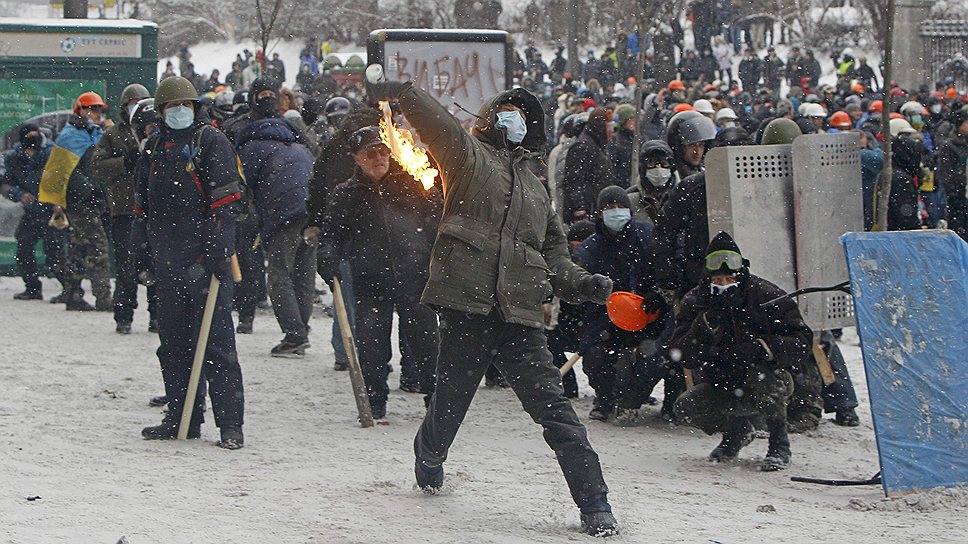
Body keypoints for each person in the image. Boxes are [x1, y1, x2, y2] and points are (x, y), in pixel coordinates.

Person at [366, 68, 618, 536]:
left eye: (523, 115)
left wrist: (583, 284)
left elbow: (555, 254)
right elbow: (438, 123)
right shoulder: (467, 157)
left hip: (521, 316)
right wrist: (403, 93)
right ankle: (430, 456)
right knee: (450, 407)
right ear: (487, 120)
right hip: (469, 309)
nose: (515, 121)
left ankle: (594, 502)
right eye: (507, 112)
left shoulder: (538, 186)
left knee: (556, 413)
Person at [133, 76, 245, 449]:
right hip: (168, 264)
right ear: (162, 112)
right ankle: (183, 416)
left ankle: (230, 424)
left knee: (217, 346)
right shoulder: (153, 148)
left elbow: (226, 201)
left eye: (186, 105)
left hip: (205, 263)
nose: (179, 112)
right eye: (172, 106)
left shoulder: (210, 142)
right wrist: (142, 255)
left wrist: (216, 250)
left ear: (196, 108)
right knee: (174, 346)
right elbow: (141, 208)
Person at [312, 126, 441, 417]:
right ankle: (375, 402)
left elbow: (436, 219)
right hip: (371, 279)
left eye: (383, 151)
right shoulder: (346, 194)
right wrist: (328, 257)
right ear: (357, 158)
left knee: (426, 344)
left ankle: (436, 402)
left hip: (414, 276)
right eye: (371, 153)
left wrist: (432, 248)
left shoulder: (413, 184)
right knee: (371, 345)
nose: (379, 157)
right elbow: (331, 235)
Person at [672, 231, 811, 471]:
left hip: (766, 380)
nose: (724, 285)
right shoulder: (695, 301)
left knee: (766, 379)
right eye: (718, 280)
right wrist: (706, 324)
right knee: (686, 407)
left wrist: (761, 348)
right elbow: (681, 352)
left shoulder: (766, 295)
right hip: (721, 384)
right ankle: (735, 432)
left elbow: (801, 340)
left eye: (729, 278)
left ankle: (779, 444)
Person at [572, 186, 663, 424]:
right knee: (596, 356)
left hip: (649, 315)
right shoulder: (589, 249)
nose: (616, 212)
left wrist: (657, 293)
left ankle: (633, 400)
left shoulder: (647, 236)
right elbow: (578, 287)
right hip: (607, 318)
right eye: (609, 208)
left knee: (657, 356)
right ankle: (605, 398)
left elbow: (666, 268)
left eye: (620, 207)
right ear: (599, 214)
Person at [236, 94, 317, 357]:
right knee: (303, 272)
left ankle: (294, 335)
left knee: (279, 274)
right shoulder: (298, 146)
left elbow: (242, 188)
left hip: (284, 213)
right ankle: (301, 327)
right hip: (312, 209)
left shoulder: (251, 148)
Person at [91, 83, 157, 333]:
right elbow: (97, 167)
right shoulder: (113, 135)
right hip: (124, 209)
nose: (137, 108)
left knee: (156, 265)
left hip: (153, 209)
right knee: (127, 266)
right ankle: (124, 315)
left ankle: (157, 316)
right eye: (132, 104)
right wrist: (125, 162)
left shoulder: (158, 130)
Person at [40, 91, 113, 312]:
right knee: (98, 249)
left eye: (100, 110)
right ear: (81, 111)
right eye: (94, 109)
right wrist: (83, 191)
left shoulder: (95, 134)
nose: (97, 114)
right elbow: (60, 173)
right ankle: (103, 298)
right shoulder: (71, 136)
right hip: (81, 202)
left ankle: (72, 294)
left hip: (92, 201)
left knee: (79, 248)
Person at [4, 124, 66, 302]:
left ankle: (69, 288)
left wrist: (58, 201)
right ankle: (32, 287)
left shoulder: (52, 154)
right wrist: (19, 194)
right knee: (24, 249)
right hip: (31, 212)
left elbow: (63, 179)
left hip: (52, 211)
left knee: (56, 254)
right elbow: (6, 183)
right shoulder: (14, 158)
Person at [562, 108, 614, 222]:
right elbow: (572, 180)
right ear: (601, 126)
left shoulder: (598, 145)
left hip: (596, 209)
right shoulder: (583, 146)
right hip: (586, 212)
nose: (612, 130)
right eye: (609, 126)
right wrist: (579, 210)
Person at [607, 104, 637, 188]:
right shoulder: (616, 140)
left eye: (634, 120)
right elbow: (612, 164)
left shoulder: (638, 138)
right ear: (623, 122)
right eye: (630, 120)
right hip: (622, 183)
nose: (633, 123)